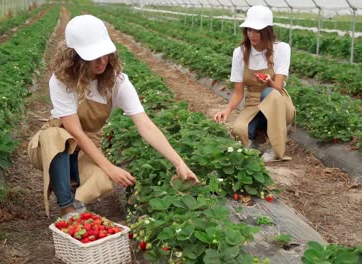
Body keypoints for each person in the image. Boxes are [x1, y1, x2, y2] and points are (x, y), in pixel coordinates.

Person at [28, 15, 199, 218]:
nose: (102, 62)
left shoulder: (117, 82)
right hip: (53, 148)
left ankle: (76, 191)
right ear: (75, 57)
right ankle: (67, 207)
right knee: (56, 136)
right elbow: (75, 131)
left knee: (103, 180)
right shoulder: (62, 81)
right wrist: (110, 167)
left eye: (105, 54)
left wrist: (179, 163)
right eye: (94, 57)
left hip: (86, 147)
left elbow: (145, 125)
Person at [214, 5, 295, 162]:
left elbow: (277, 87)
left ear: (267, 31)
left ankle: (276, 147)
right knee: (238, 130)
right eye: (249, 30)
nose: (252, 34)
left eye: (257, 30)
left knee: (268, 93)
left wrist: (269, 81)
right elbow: (238, 92)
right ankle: (255, 140)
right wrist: (227, 110)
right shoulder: (240, 53)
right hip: (253, 102)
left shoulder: (282, 49)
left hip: (278, 101)